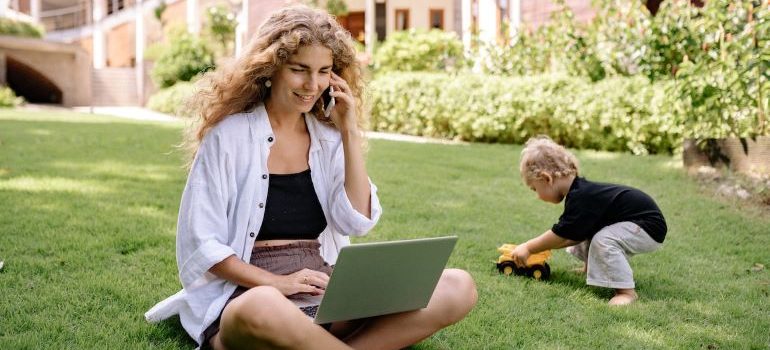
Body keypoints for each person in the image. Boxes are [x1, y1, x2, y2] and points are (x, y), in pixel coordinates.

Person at [144, 5, 477, 350]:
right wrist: (276, 283)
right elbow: (202, 245)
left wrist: (349, 131)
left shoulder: (329, 138)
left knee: (457, 285)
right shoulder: (228, 137)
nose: (312, 85)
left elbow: (357, 221)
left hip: (323, 292)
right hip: (250, 296)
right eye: (299, 69)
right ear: (271, 68)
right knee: (264, 306)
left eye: (324, 71)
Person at [512, 136, 666, 306]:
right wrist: (542, 246)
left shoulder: (581, 196)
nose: (537, 195)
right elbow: (574, 235)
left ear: (546, 178)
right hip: (636, 222)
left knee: (603, 239)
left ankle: (626, 293)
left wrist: (528, 247)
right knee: (587, 230)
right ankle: (590, 268)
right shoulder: (579, 193)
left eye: (535, 188)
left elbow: (562, 235)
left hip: (647, 225)